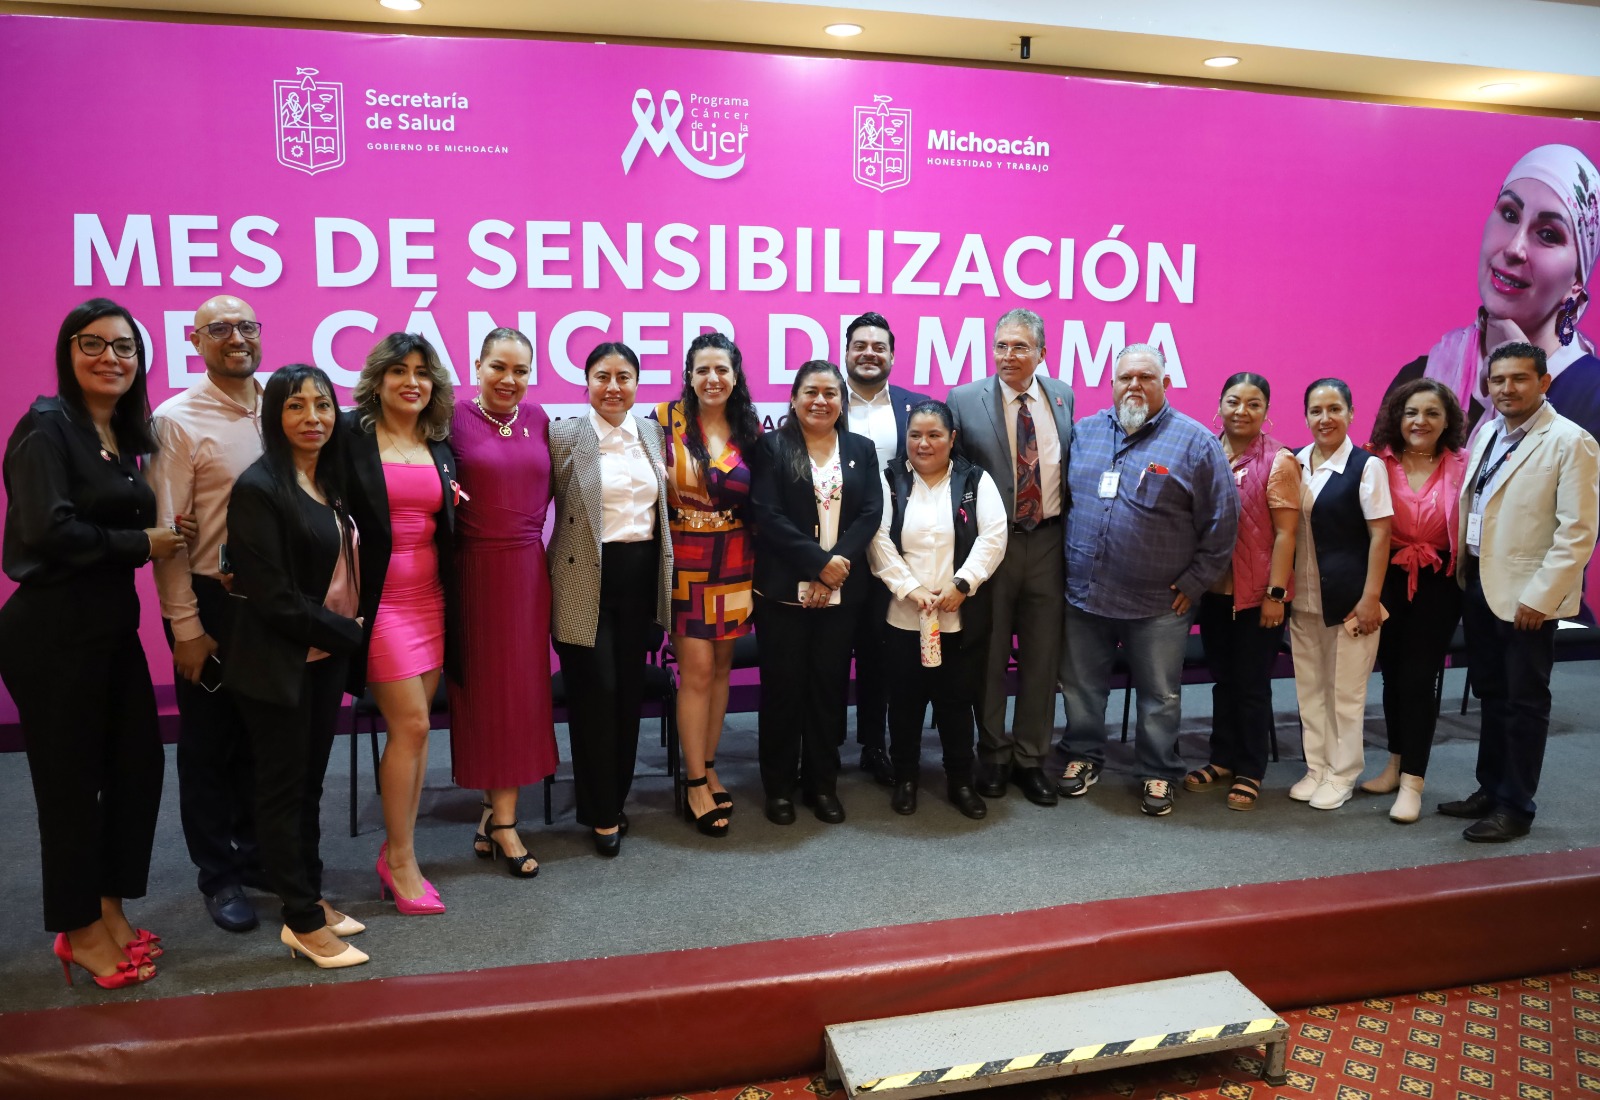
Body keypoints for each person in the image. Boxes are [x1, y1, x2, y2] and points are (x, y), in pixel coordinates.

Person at [0, 299, 183, 988]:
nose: (111, 357)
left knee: (138, 768)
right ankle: (78, 931)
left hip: (108, 630)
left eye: (124, 347)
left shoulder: (118, 433)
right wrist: (141, 543)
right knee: (70, 788)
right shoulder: (45, 428)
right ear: (68, 351)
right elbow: (47, 531)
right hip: (52, 633)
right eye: (94, 344)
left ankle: (109, 907)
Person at [225, 365, 368, 968]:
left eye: (323, 405)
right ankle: (301, 922)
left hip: (323, 657)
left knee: (310, 785)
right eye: (296, 406)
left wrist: (342, 639)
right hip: (279, 663)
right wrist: (353, 634)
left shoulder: (328, 480)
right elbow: (275, 599)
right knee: (283, 792)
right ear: (274, 416)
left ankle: (309, 895)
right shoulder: (259, 488)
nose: (313, 417)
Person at [1057, 345, 1238, 817]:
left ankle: (1158, 769)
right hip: (1085, 595)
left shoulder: (1196, 444)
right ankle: (1083, 755)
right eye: (1125, 377)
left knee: (1159, 695)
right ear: (1112, 384)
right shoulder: (1084, 433)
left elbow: (1222, 522)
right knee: (1081, 687)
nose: (1134, 385)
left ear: (1165, 384)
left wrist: (1196, 581)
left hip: (1158, 603)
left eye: (1146, 377)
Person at [1440, 342, 1599, 841]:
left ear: (1544, 382)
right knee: (1491, 694)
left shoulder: (1570, 441)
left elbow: (1578, 532)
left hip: (1528, 597)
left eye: (1519, 378)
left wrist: (1542, 597)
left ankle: (1515, 806)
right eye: (1498, 379)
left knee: (1524, 701)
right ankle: (1489, 789)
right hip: (1480, 583)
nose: (1506, 388)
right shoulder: (1489, 431)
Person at [148, 294, 267, 934]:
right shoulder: (175, 421)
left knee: (262, 739)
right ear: (195, 342)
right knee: (209, 747)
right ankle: (218, 876)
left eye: (245, 326)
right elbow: (168, 536)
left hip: (274, 604)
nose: (236, 338)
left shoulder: (284, 403)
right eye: (219, 329)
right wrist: (186, 628)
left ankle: (256, 856)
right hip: (210, 602)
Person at [344, 333, 459, 913]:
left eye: (421, 372)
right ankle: (401, 861)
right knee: (410, 723)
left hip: (430, 599)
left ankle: (398, 849)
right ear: (378, 380)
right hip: (380, 604)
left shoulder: (438, 443)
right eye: (399, 371)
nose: (411, 382)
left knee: (416, 731)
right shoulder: (350, 437)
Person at [946, 308, 1074, 806]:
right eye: (1001, 345)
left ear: (1041, 353)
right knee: (991, 655)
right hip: (992, 545)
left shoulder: (1061, 396)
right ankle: (994, 755)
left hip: (1048, 542)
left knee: (1042, 658)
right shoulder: (963, 399)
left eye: (1020, 347)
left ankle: (1030, 759)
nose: (1008, 355)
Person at [549, 342, 673, 857]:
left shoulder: (651, 432)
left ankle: (615, 800)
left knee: (627, 696)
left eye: (624, 377)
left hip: (640, 580)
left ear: (637, 383)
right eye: (603, 376)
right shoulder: (563, 435)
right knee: (595, 694)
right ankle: (598, 809)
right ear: (587, 381)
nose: (613, 387)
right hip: (583, 580)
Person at [1389, 145, 1600, 444]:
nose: (1514, 248)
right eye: (1510, 214)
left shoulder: (1592, 399)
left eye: (1548, 234)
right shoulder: (1418, 378)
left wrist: (1522, 382)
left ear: (1577, 281)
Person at [749, 360, 883, 825]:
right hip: (783, 593)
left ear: (842, 401)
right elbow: (767, 514)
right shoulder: (771, 447)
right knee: (783, 690)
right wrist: (817, 564)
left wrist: (835, 567)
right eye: (811, 392)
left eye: (830, 393)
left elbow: (870, 512)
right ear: (793, 398)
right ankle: (779, 788)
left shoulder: (861, 448)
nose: (820, 401)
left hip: (841, 594)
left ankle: (822, 784)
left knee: (828, 689)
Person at [868, 400, 1007, 819]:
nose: (923, 444)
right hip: (903, 615)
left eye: (934, 435)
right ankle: (906, 778)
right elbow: (877, 538)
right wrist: (909, 588)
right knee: (904, 703)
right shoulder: (889, 479)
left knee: (956, 704)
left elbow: (993, 536)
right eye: (915, 435)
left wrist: (962, 584)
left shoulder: (975, 480)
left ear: (952, 438)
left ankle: (960, 781)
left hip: (956, 615)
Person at [450, 328, 552, 876]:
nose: (509, 379)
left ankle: (497, 815)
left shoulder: (538, 418)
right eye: (498, 367)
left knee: (520, 692)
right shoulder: (450, 418)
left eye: (520, 370)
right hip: (475, 572)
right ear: (477, 365)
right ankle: (504, 822)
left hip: (528, 571)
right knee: (487, 694)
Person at [654, 332, 761, 837]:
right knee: (695, 671)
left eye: (722, 369)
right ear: (689, 376)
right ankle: (693, 780)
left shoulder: (748, 426)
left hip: (736, 559)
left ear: (735, 376)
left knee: (721, 670)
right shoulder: (663, 421)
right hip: (685, 562)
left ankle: (710, 763)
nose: (712, 379)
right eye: (703, 370)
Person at [1187, 373, 1299, 811]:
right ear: (1220, 405)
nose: (1242, 411)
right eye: (1234, 401)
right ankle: (1222, 758)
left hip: (1258, 597)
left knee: (1251, 685)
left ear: (1266, 412)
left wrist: (1276, 593)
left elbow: (1286, 534)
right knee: (1223, 681)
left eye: (1254, 404)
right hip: (1213, 593)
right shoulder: (1205, 452)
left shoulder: (1279, 461)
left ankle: (1250, 769)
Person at [1361, 380, 1469, 823]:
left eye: (1431, 413)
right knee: (1392, 675)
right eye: (1411, 412)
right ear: (1397, 417)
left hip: (1440, 582)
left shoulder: (1463, 464)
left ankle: (1413, 782)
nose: (1420, 421)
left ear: (1447, 421)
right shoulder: (1376, 461)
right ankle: (1395, 762)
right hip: (1386, 577)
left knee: (1420, 679)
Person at [1287, 379, 1393, 811]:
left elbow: (1381, 535)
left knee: (1346, 695)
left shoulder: (1367, 467)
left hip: (1351, 602)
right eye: (1316, 410)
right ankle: (1317, 768)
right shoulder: (1293, 462)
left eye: (1334, 409)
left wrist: (1370, 598)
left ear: (1351, 412)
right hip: (1303, 601)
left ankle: (1343, 773)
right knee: (1310, 691)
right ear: (1306, 416)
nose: (1325, 418)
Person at [841, 312, 930, 786]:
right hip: (836, 549)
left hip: (895, 551)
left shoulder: (916, 408)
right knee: (832, 653)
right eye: (860, 345)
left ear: (892, 355)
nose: (869, 353)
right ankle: (822, 748)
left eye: (879, 346)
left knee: (881, 653)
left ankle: (874, 745)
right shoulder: (825, 401)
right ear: (846, 352)